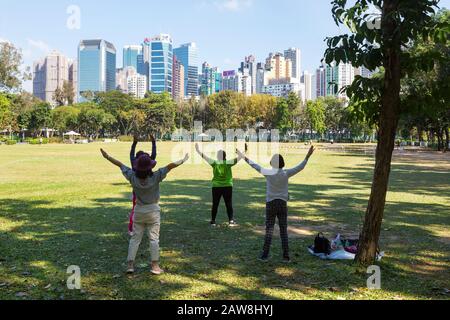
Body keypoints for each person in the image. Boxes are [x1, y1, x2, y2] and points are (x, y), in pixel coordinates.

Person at [100, 148, 189, 275]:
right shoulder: (156, 176)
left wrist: (107, 156)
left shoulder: (132, 176)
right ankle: (154, 266)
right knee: (154, 239)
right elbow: (170, 166)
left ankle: (130, 265)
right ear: (150, 167)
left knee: (135, 239)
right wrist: (183, 160)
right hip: (153, 211)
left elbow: (119, 164)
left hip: (139, 211)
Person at [236, 145, 315, 262]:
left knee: (269, 230)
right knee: (283, 230)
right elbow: (300, 167)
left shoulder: (268, 172)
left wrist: (243, 156)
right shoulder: (286, 173)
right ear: (282, 163)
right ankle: (286, 256)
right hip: (282, 204)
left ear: (272, 163)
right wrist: (307, 156)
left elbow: (254, 165)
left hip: (271, 204)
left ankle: (265, 255)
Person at [195, 143, 242, 227]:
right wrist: (243, 151)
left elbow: (204, 157)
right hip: (227, 186)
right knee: (229, 204)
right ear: (225, 156)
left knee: (215, 204)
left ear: (217, 157)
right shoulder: (228, 163)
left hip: (216, 186)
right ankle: (231, 221)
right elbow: (239, 158)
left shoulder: (214, 163)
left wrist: (198, 150)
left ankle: (213, 221)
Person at [128, 134, 157, 235]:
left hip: (137, 190)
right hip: (149, 189)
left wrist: (134, 143)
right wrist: (153, 142)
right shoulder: (147, 165)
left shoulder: (134, 163)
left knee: (135, 208)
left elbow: (131, 155)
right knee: (151, 207)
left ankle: (132, 228)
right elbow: (154, 155)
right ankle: (150, 226)